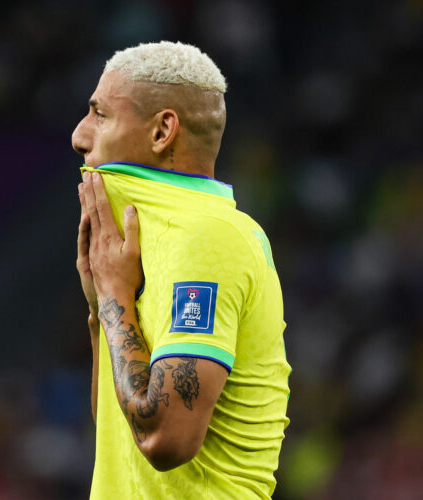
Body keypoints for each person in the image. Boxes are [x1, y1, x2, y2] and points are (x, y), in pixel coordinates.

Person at [73, 41, 291, 499]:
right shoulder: (160, 240)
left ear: (162, 131)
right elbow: (120, 425)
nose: (79, 136)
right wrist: (100, 311)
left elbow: (164, 439)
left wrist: (114, 297)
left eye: (100, 115)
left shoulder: (208, 237)